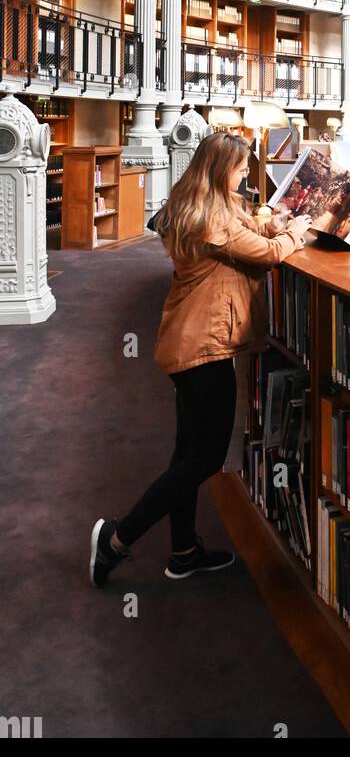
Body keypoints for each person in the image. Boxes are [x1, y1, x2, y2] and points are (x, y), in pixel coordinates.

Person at [89, 132, 312, 587]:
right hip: (203, 347)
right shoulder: (213, 219)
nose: (246, 174)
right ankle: (117, 537)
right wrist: (295, 232)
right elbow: (267, 253)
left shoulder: (208, 206)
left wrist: (273, 220)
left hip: (190, 344)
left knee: (186, 453)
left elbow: (250, 228)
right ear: (219, 170)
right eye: (240, 168)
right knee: (205, 458)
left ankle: (184, 551)